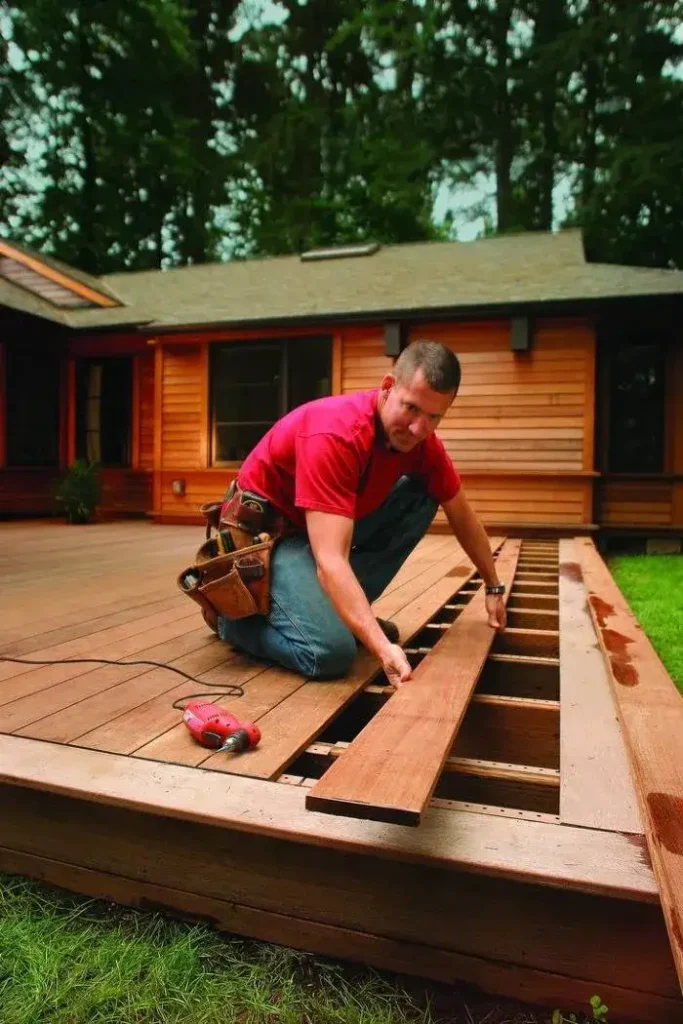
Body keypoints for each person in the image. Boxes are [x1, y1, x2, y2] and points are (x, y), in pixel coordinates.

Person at [217, 340, 506, 687]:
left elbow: (461, 512)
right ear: (388, 388)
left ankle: (344, 617)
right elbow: (330, 560)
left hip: (317, 534)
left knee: (423, 496)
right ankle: (233, 623)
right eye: (411, 408)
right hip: (270, 540)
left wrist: (493, 585)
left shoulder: (421, 444)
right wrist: (382, 647)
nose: (418, 428)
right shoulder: (336, 433)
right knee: (329, 653)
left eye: (433, 417)